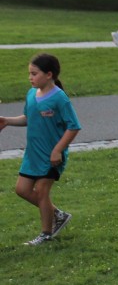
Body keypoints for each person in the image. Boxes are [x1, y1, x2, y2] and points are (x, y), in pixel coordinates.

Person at [0, 53, 81, 246]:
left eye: (34, 74)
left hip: (51, 155)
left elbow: (73, 127)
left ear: (49, 75)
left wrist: (58, 150)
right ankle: (57, 215)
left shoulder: (59, 98)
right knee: (22, 190)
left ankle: (46, 234)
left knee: (42, 191)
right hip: (33, 154)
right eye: (29, 73)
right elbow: (28, 118)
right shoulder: (31, 94)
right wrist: (7, 121)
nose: (30, 77)